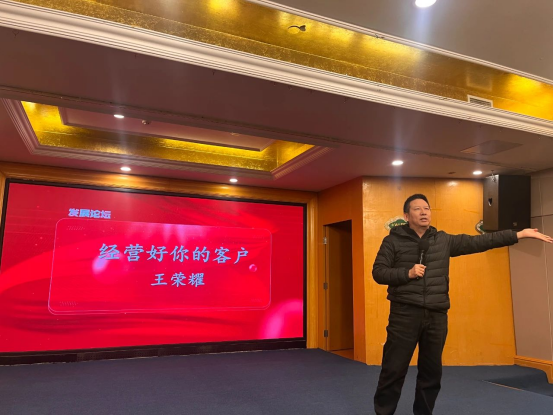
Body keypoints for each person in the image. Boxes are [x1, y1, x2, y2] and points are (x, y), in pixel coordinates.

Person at [372, 193, 552, 415]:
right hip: (404, 314)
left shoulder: (442, 240)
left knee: (431, 373)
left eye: (427, 208)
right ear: (406, 215)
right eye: (417, 209)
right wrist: (406, 273)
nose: (424, 212)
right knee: (393, 370)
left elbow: (479, 242)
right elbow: (379, 272)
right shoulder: (392, 241)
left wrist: (518, 234)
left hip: (436, 315)